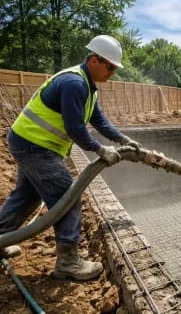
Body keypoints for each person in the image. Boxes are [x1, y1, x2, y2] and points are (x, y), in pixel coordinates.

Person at [0, 35, 142, 281]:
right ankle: (68, 263)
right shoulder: (74, 83)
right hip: (35, 146)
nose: (112, 73)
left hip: (29, 142)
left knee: (26, 197)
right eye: (109, 67)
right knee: (68, 198)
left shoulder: (89, 88)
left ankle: (1, 237)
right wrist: (100, 150)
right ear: (95, 60)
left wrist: (123, 140)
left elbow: (99, 121)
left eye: (114, 69)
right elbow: (75, 128)